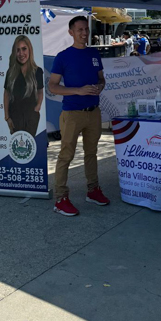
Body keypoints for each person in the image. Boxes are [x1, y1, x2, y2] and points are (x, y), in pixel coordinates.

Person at [49, 15, 110, 216]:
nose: (84, 33)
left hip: (93, 112)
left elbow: (101, 79)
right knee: (66, 155)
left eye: (86, 29)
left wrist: (100, 87)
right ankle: (60, 198)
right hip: (73, 113)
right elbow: (53, 87)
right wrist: (78, 90)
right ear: (71, 32)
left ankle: (93, 190)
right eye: (80, 30)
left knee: (91, 153)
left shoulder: (94, 54)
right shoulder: (63, 56)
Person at [3, 36, 44, 137]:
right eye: (18, 50)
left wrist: (38, 106)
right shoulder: (11, 72)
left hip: (31, 116)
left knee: (30, 148)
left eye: (24, 48)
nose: (21, 53)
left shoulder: (37, 71)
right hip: (15, 117)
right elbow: (6, 94)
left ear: (29, 49)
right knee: (17, 149)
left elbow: (40, 91)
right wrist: (7, 117)